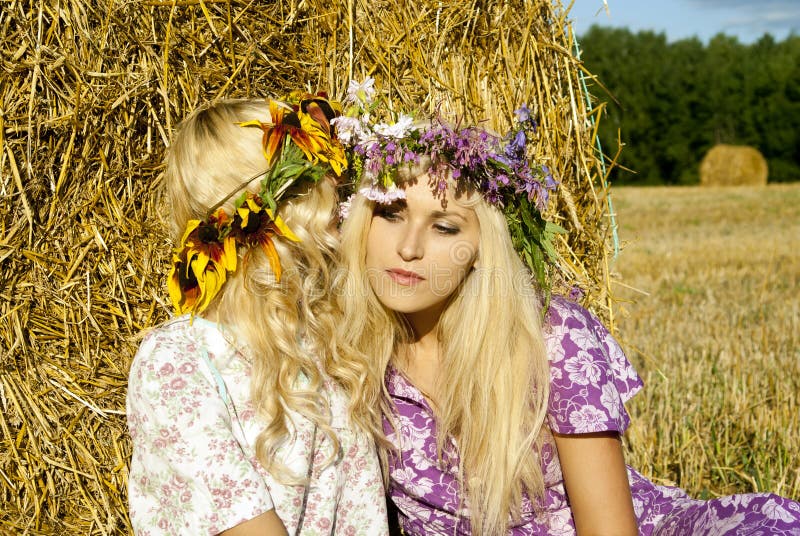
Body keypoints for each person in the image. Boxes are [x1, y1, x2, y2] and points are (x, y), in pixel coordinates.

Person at [334, 85, 800, 535]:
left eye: (445, 227)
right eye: (391, 214)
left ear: (483, 249)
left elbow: (609, 528)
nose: (409, 248)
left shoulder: (552, 336)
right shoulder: (344, 351)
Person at [126, 95, 388, 535]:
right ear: (281, 206)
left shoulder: (330, 335)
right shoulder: (177, 363)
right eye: (322, 183)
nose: (342, 205)